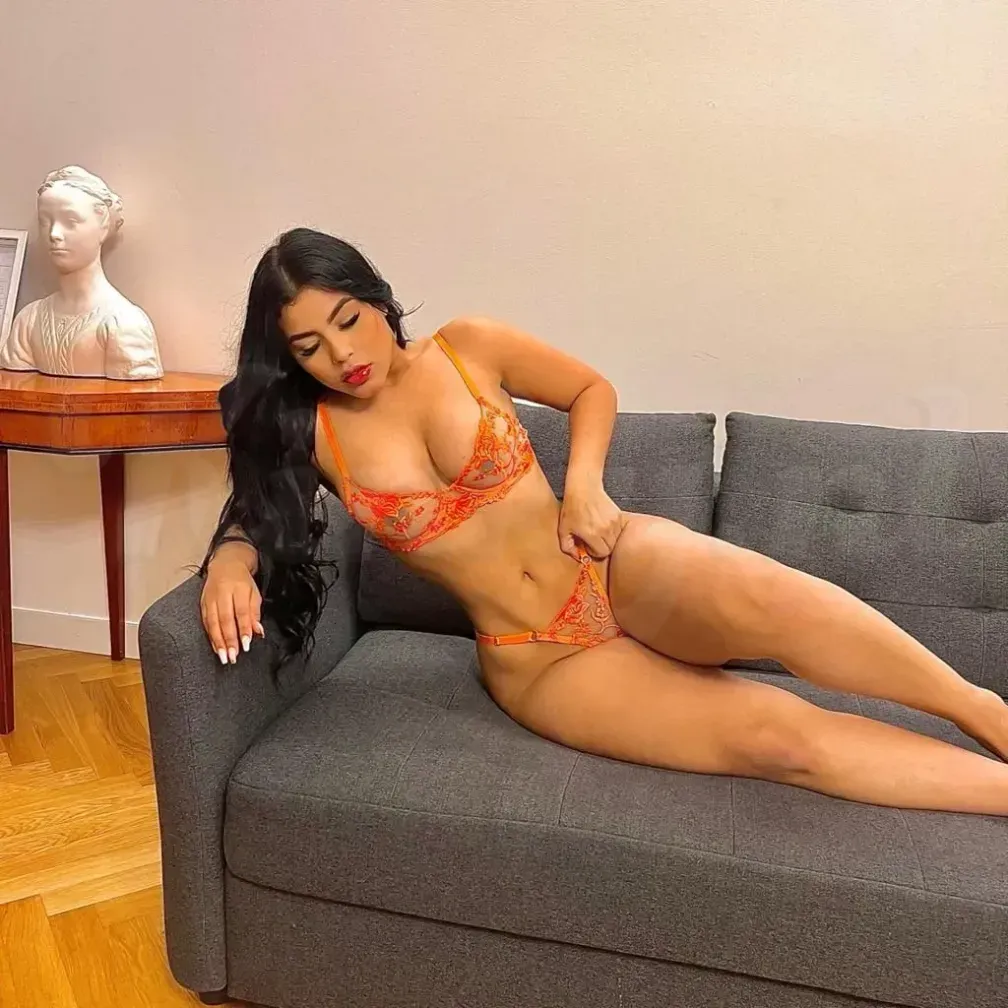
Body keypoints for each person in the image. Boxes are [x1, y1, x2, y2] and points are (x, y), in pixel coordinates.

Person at [201, 227, 1008, 816]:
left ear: (377, 299)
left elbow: (591, 389)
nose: (342, 355)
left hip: (607, 564)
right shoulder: (315, 434)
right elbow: (256, 511)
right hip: (539, 658)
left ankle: (979, 708)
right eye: (309, 346)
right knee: (778, 742)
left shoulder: (468, 347)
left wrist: (584, 484)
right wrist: (232, 562)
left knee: (778, 600)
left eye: (348, 320)